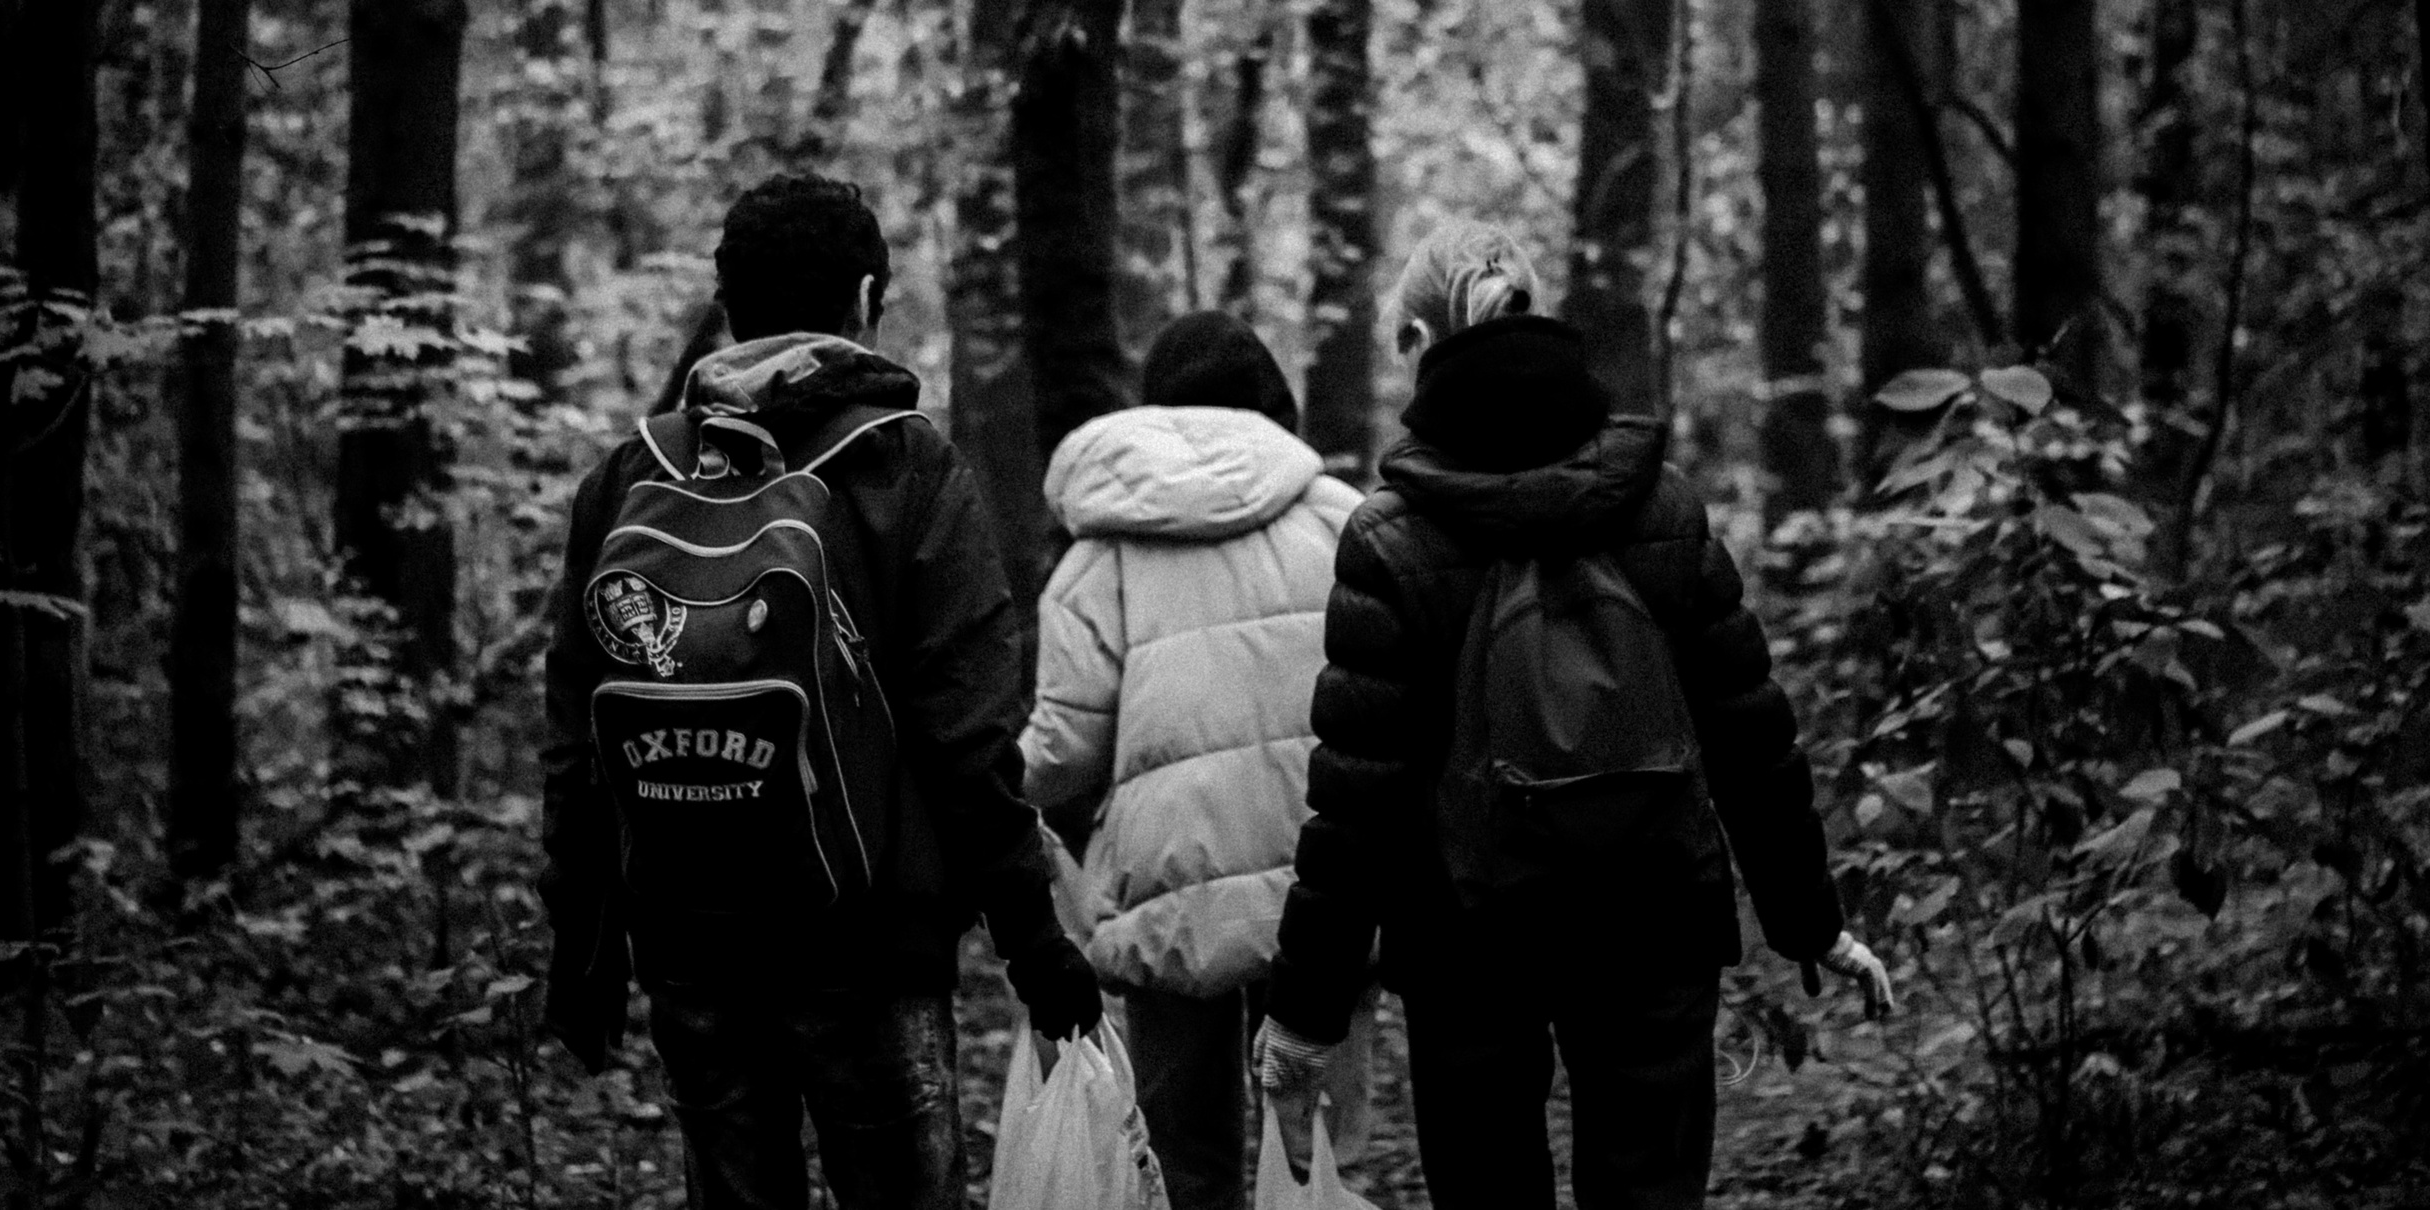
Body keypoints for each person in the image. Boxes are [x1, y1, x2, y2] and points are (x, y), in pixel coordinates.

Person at [1254, 220, 1893, 1210]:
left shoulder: (1389, 540)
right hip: (1655, 912)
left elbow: (1358, 800)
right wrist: (1810, 921)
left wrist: (1305, 1013)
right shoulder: (1661, 505)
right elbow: (1748, 732)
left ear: (1419, 341)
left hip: (1468, 936)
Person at [539, 172, 1101, 1210]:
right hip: (871, 945)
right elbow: (967, 740)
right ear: (866, 298)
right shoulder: (909, 469)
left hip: (690, 934)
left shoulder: (630, 478)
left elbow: (578, 737)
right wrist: (1034, 942)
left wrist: (584, 945)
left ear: (727, 307)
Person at [1018, 312, 1369, 1210]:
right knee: (1316, 1154)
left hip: (1167, 883)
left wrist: (996, 786)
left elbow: (1065, 752)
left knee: (1183, 1155)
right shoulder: (1344, 521)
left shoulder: (1101, 552)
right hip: (1324, 877)